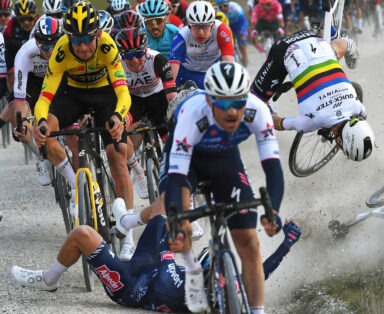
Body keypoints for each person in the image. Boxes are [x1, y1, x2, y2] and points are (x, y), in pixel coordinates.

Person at [114, 61, 285, 313]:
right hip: (186, 159)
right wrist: (176, 220)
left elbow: (272, 167)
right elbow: (176, 175)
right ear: (210, 101)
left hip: (225, 158)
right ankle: (191, 273)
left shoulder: (257, 110)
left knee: (249, 242)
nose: (232, 112)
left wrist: (274, 211)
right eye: (224, 104)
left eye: (238, 103)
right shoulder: (191, 114)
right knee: (179, 211)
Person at [11, 202, 301, 311]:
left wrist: (174, 232)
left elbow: (166, 254)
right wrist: (287, 244)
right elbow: (260, 274)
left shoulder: (183, 291)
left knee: (82, 234)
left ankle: (49, 279)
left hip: (132, 288)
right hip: (152, 268)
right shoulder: (228, 287)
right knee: (168, 198)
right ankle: (127, 222)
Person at [32, 0, 136, 261]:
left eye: (87, 39)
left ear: (97, 34)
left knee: (118, 155)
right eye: (76, 40)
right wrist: (41, 122)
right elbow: (45, 97)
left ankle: (129, 236)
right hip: (73, 95)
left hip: (104, 95)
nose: (82, 46)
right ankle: (74, 181)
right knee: (47, 133)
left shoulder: (107, 46)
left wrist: (118, 116)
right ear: (68, 38)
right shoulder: (61, 49)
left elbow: (123, 92)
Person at [250, 25, 373, 162]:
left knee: (330, 57)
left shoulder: (358, 108)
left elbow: (364, 116)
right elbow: (276, 123)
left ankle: (347, 42)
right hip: (284, 48)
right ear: (339, 140)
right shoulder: (310, 123)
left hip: (314, 40)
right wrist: (269, 111)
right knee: (254, 104)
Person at [115, 27, 177, 199]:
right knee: (116, 127)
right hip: (134, 102)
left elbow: (171, 95)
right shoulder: (117, 65)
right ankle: (138, 172)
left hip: (158, 100)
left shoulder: (157, 59)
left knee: (170, 134)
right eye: (128, 56)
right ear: (122, 56)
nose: (134, 61)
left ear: (145, 50)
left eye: (138, 54)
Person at [0, 17, 62, 185]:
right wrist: (22, 122)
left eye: (53, 46)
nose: (49, 50)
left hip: (56, 77)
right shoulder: (27, 50)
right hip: (33, 79)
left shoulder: (65, 45)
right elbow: (20, 90)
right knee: (19, 121)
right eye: (45, 46)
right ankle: (42, 157)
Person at [169, 0, 235, 88]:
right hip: (185, 74)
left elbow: (229, 63)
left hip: (210, 74)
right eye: (195, 26)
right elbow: (171, 78)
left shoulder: (222, 30)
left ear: (212, 25)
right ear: (189, 25)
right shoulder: (182, 37)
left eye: (205, 26)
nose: (200, 32)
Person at [2, 0, 39, 88]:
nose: (26, 23)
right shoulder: (10, 26)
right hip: (18, 61)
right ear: (17, 18)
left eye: (29, 18)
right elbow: (7, 52)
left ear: (35, 16)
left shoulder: (41, 22)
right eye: (22, 20)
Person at [215, 0, 250, 67]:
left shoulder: (235, 8)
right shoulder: (217, 12)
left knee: (242, 46)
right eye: (220, 7)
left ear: (228, 3)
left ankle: (246, 67)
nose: (223, 8)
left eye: (225, 5)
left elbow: (243, 22)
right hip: (227, 26)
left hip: (238, 24)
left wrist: (242, 33)